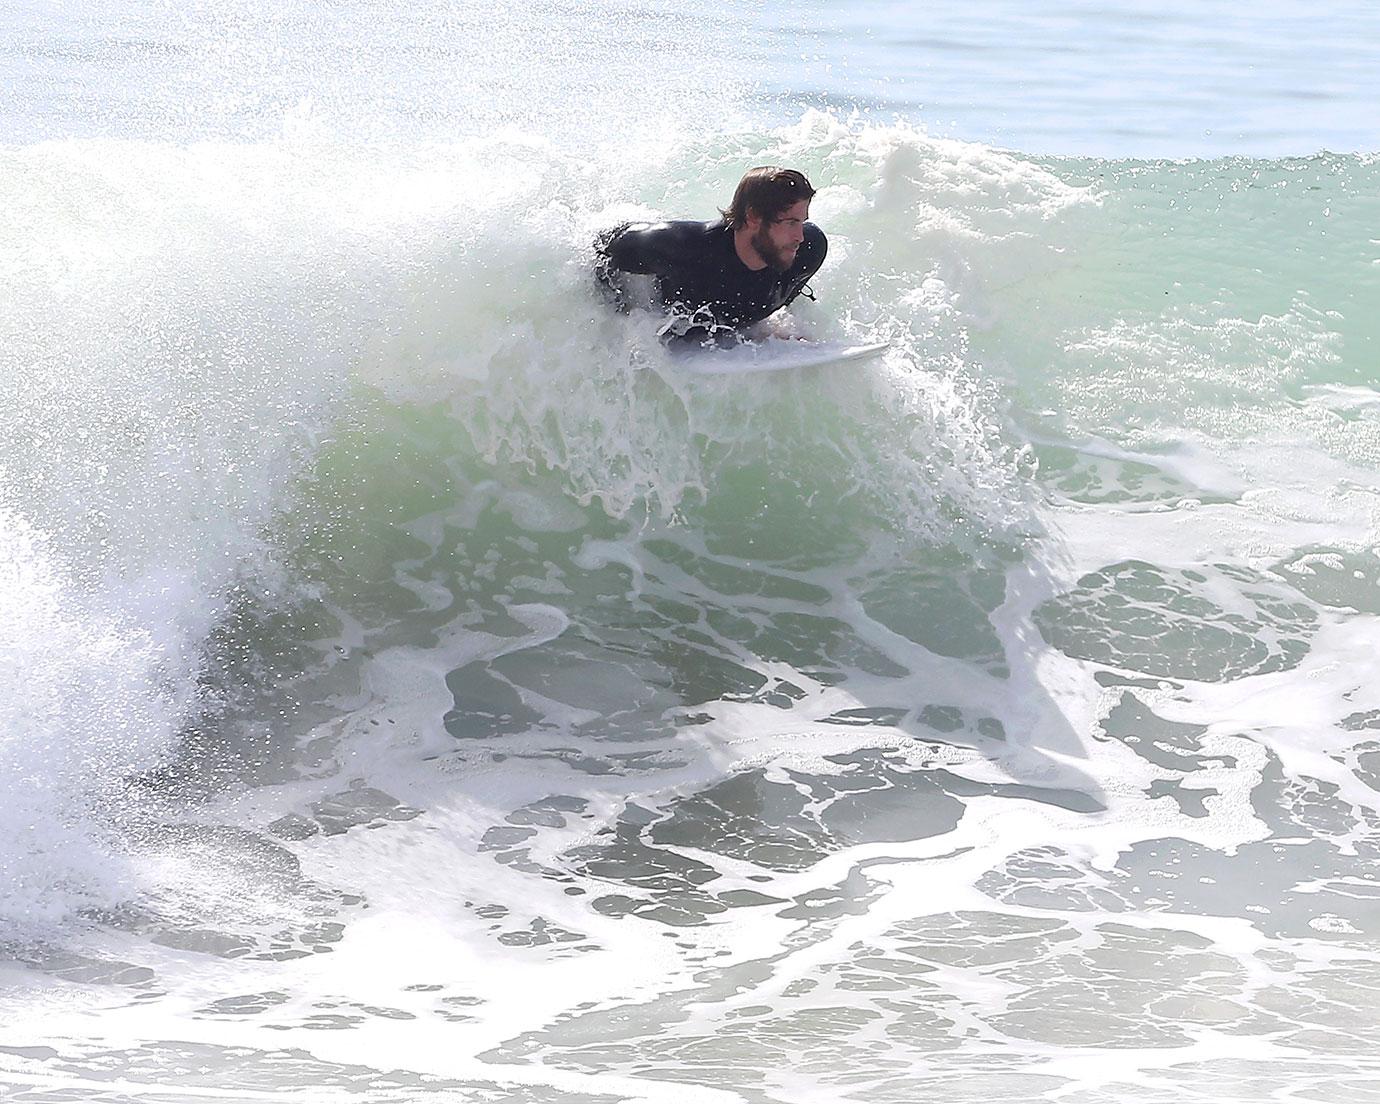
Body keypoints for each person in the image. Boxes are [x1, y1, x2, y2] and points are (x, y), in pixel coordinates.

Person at [594, 166, 827, 348]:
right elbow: (606, 246)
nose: (800, 237)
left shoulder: (809, 251)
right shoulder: (685, 247)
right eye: (790, 223)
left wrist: (766, 327)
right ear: (753, 216)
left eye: (802, 222)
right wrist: (623, 316)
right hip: (675, 323)